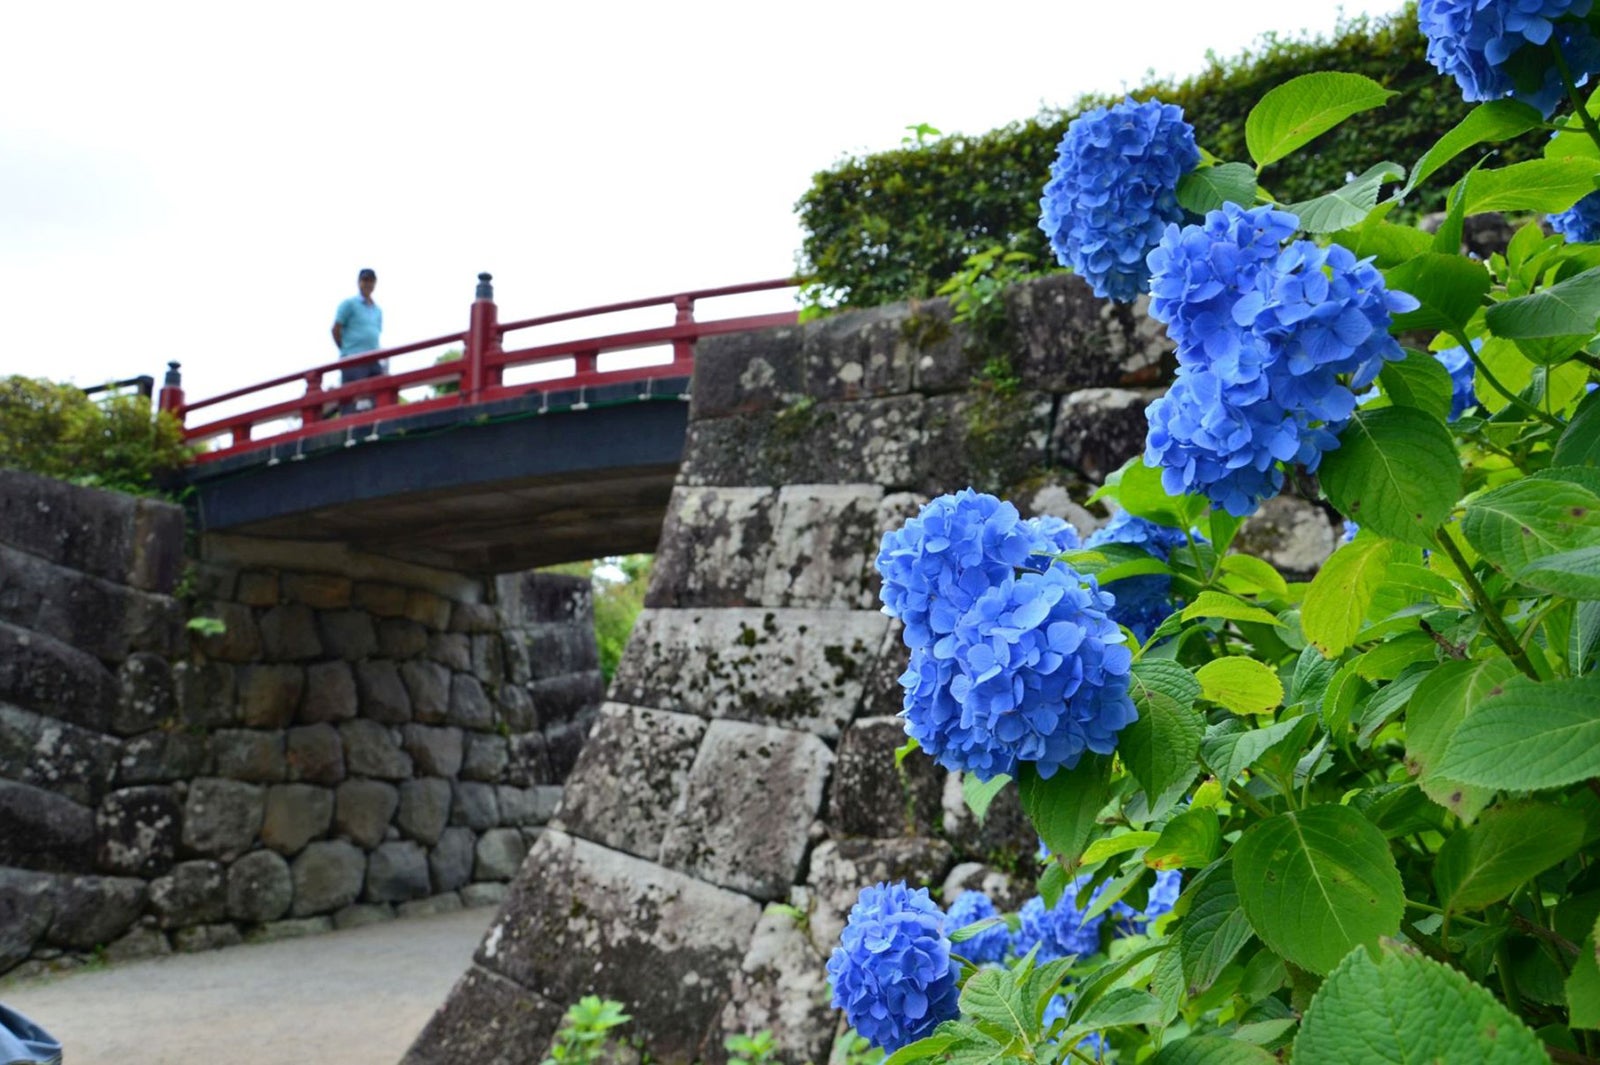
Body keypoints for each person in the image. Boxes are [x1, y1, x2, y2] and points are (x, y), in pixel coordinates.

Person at [332, 268, 384, 412]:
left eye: (371, 281)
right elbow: (336, 329)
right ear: (359, 282)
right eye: (365, 280)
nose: (368, 284)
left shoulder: (377, 310)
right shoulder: (349, 304)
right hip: (353, 358)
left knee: (377, 397)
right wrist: (346, 350)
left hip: (373, 357)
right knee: (354, 402)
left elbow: (375, 332)